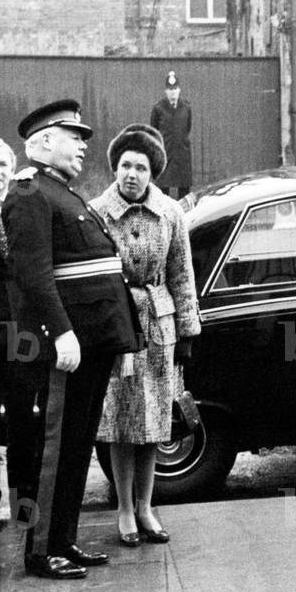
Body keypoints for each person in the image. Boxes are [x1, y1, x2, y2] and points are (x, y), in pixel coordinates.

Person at [3, 100, 143, 579]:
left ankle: (64, 537)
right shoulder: (29, 193)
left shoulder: (63, 193)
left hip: (90, 345)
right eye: (72, 135)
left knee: (77, 445)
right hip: (67, 346)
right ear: (43, 141)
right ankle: (41, 549)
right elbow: (34, 277)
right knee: (54, 447)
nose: (84, 143)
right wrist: (60, 332)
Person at [90, 124, 200, 548]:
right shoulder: (98, 211)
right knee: (120, 420)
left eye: (140, 167)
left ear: (152, 172)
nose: (131, 174)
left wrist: (187, 330)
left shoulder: (171, 212)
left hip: (159, 324)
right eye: (124, 165)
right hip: (118, 326)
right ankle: (122, 509)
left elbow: (182, 274)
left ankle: (145, 507)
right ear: (115, 168)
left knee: (154, 420)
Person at [0, 137, 15, 531]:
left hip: (17, 330)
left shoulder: (20, 210)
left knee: (21, 416)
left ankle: (24, 503)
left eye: (1, 165)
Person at [150, 70, 193, 199]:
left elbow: (187, 128)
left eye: (175, 89)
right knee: (163, 193)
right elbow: (154, 130)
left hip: (182, 155)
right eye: (170, 89)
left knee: (184, 192)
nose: (172, 92)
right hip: (166, 154)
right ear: (166, 91)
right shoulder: (159, 108)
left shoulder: (186, 107)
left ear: (179, 90)